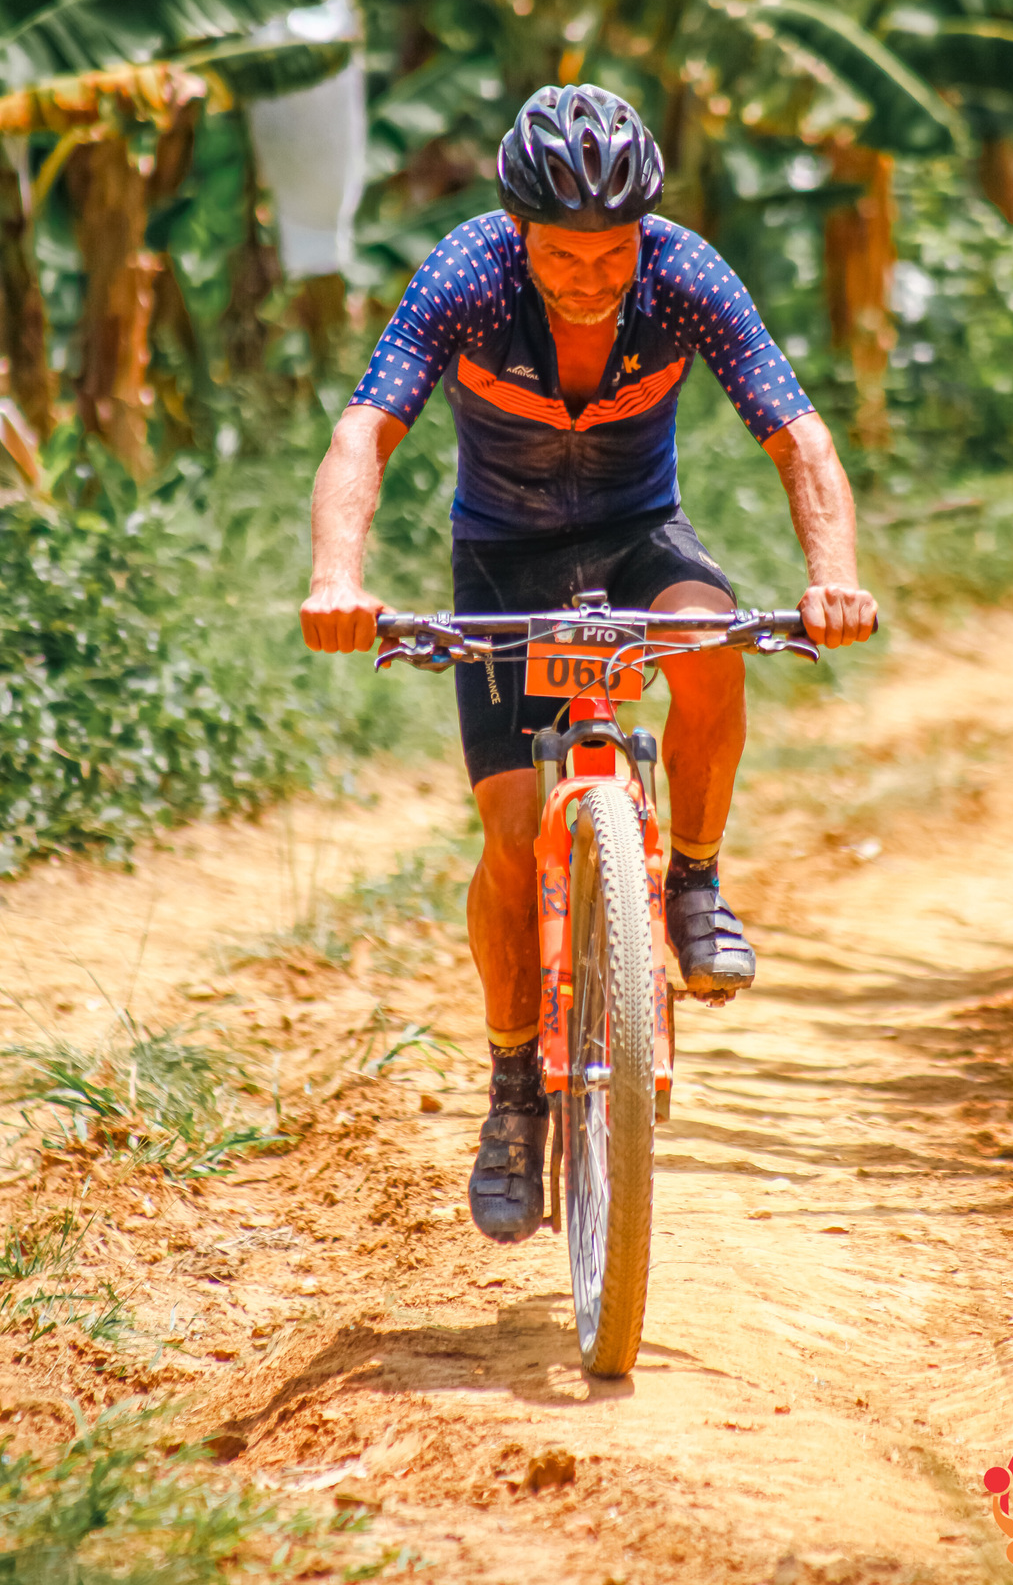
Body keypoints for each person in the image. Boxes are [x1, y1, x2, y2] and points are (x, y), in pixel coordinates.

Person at [300, 83, 877, 1245]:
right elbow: (365, 429)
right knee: (514, 833)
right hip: (501, 559)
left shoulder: (685, 274)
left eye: (612, 253)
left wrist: (834, 576)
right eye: (563, 254)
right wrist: (336, 578)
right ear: (519, 230)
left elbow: (797, 433)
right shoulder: (466, 274)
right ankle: (515, 1088)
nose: (590, 277)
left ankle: (695, 881)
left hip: (638, 535)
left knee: (709, 645)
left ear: (642, 232)